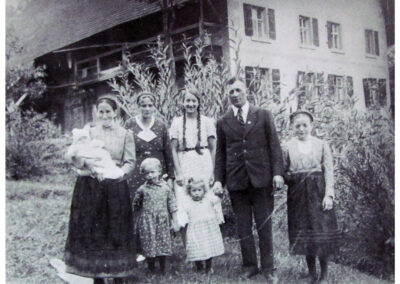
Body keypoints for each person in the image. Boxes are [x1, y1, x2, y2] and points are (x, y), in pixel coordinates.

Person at [213, 77, 284, 281]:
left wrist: (278, 173)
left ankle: (269, 268)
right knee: (243, 226)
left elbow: (274, 146)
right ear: (227, 96)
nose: (235, 95)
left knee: (264, 225)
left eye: (238, 90)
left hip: (262, 180)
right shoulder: (223, 121)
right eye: (231, 92)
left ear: (246, 91)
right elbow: (221, 154)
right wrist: (219, 180)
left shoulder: (263, 115)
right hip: (237, 182)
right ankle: (249, 266)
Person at [64, 94, 136, 284]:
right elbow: (77, 155)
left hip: (115, 188)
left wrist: (119, 173)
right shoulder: (90, 132)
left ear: (115, 112)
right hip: (91, 187)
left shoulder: (125, 134)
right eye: (101, 112)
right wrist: (89, 167)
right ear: (96, 113)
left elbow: (130, 161)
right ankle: (96, 274)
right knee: (94, 230)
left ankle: (118, 273)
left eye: (108, 111)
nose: (104, 116)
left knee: (115, 230)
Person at [282, 110, 342, 284]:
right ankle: (311, 273)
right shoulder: (287, 146)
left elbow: (329, 171)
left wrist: (329, 195)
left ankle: (324, 274)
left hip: (318, 191)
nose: (301, 129)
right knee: (304, 231)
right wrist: (288, 177)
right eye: (297, 126)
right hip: (298, 193)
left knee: (320, 231)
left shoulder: (322, 144)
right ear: (292, 127)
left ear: (311, 126)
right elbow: (283, 170)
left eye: (304, 125)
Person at [125, 92, 174, 260]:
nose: (146, 108)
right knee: (137, 209)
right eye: (143, 105)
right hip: (136, 174)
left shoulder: (161, 125)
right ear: (138, 106)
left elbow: (168, 151)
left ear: (154, 106)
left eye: (149, 105)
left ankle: (158, 249)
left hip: (157, 173)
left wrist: (170, 175)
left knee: (158, 210)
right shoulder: (130, 124)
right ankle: (138, 248)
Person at [170, 88, 224, 235]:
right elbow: (173, 149)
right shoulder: (177, 122)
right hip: (185, 162)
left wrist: (213, 172)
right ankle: (190, 245)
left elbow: (214, 148)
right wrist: (178, 172)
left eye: (194, 100)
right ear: (182, 103)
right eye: (187, 100)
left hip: (204, 163)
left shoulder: (207, 121)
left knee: (206, 199)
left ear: (199, 103)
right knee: (184, 199)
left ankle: (209, 242)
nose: (191, 104)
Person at [132, 158, 178, 274]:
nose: (150, 175)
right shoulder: (142, 189)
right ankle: (151, 268)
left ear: (159, 172)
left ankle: (163, 268)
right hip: (147, 221)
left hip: (162, 220)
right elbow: (136, 204)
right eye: (146, 173)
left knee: (163, 242)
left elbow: (172, 205)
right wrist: (137, 219)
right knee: (149, 243)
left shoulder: (166, 188)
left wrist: (175, 220)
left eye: (152, 172)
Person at [183, 178, 224, 273]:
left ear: (204, 191)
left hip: (207, 229)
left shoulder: (208, 200)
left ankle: (208, 266)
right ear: (189, 192)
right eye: (194, 190)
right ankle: (199, 266)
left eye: (199, 190)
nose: (197, 193)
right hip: (195, 230)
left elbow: (218, 199)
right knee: (196, 247)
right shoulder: (188, 203)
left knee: (208, 247)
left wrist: (220, 192)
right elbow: (184, 213)